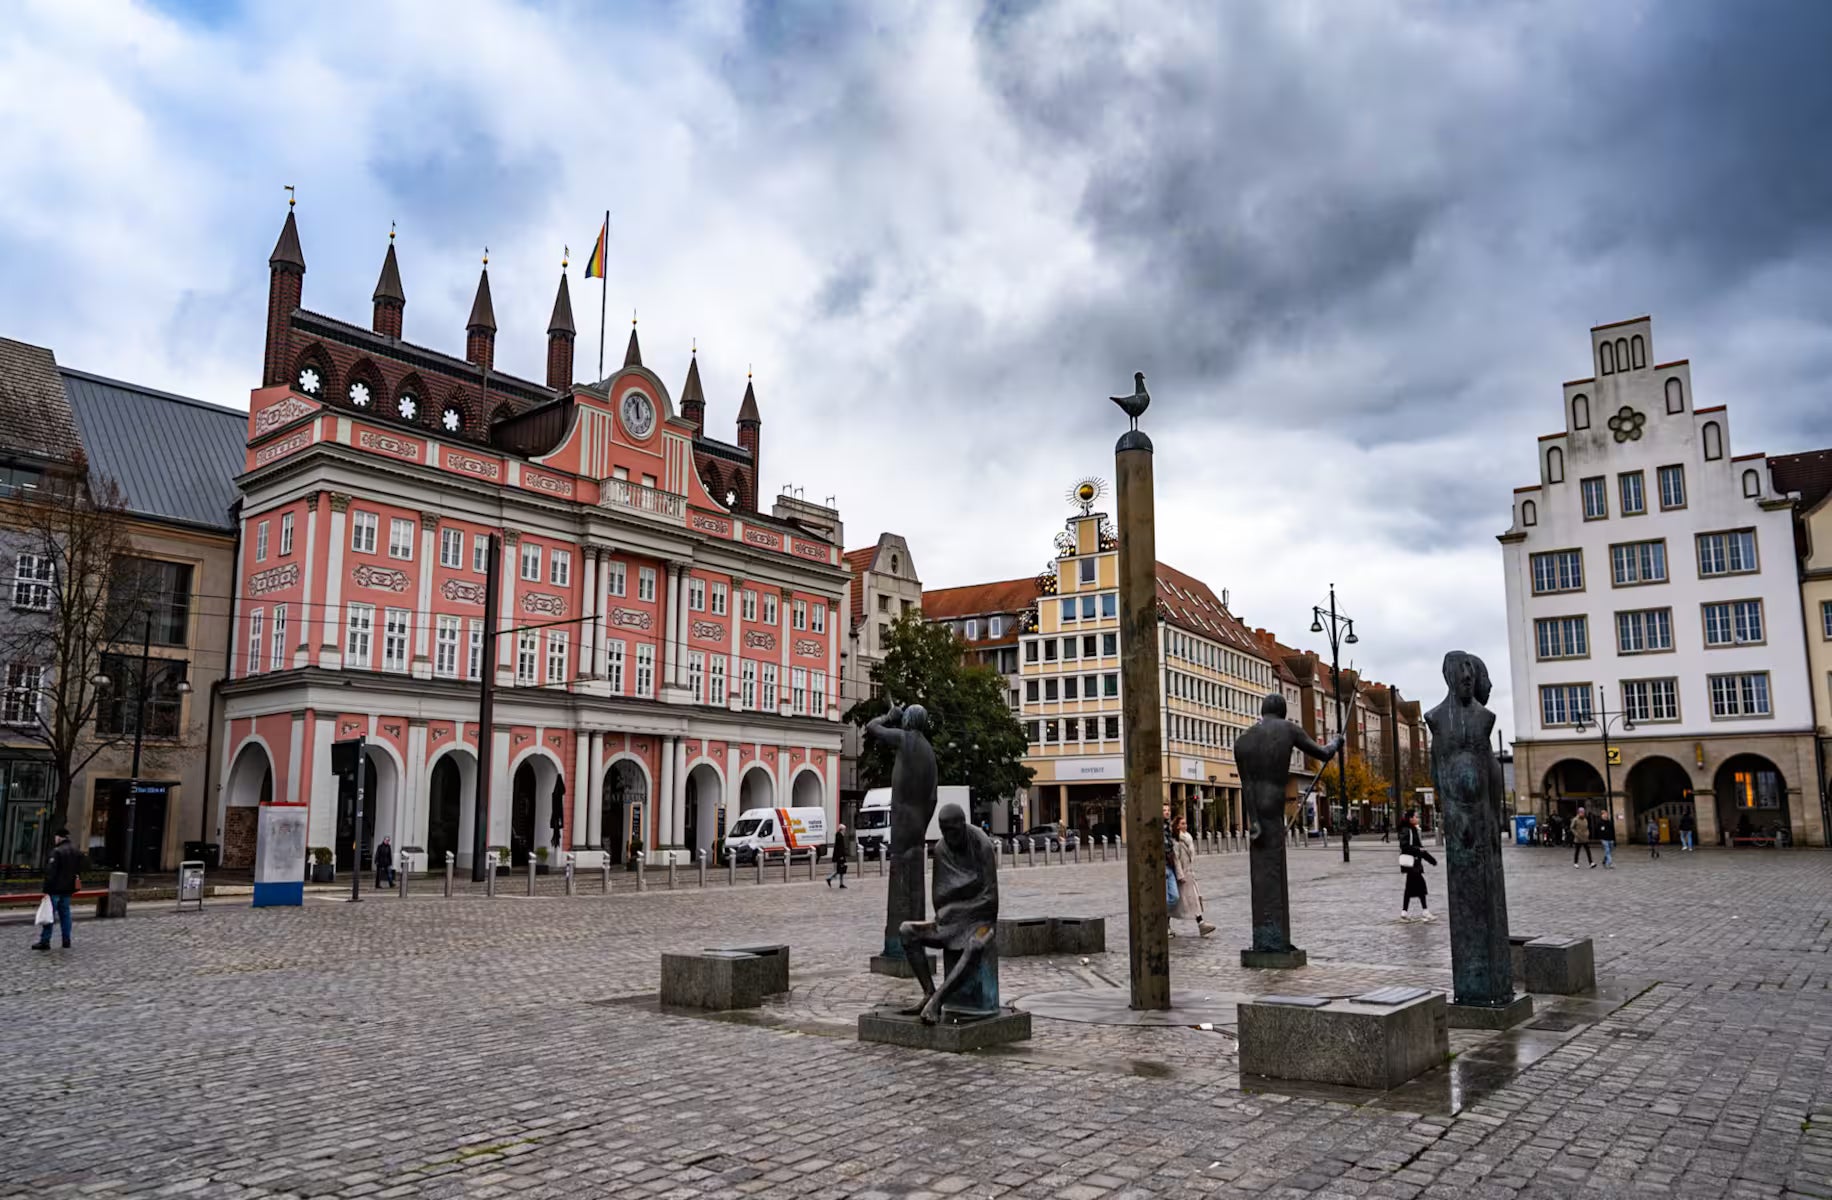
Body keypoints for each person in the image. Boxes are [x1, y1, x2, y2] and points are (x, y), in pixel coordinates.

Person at [33, 828, 80, 951]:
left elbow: (50, 872)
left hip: (55, 889)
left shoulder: (57, 851)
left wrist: (46, 890)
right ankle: (66, 940)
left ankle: (45, 941)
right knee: (65, 915)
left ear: (59, 837)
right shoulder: (75, 851)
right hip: (68, 889)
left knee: (49, 914)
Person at [1170, 816, 1215, 937]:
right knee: (1178, 901)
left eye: (1186, 823)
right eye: (1182, 823)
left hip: (1189, 873)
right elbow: (1176, 859)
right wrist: (1180, 875)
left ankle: (1201, 924)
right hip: (1183, 874)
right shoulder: (1176, 840)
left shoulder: (1188, 837)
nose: (1185, 825)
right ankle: (1200, 924)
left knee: (1192, 899)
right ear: (1178, 825)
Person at [1397, 811, 1437, 921]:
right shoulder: (1407, 830)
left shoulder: (1412, 830)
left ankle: (1405, 913)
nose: (1417, 818)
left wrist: (1430, 859)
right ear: (1410, 818)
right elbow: (1405, 846)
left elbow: (1420, 848)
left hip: (1414, 864)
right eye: (1415, 816)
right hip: (1412, 864)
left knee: (1410, 889)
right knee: (1421, 887)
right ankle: (1425, 912)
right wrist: (1419, 850)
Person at [826, 823, 850, 889]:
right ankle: (829, 878)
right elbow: (840, 847)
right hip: (839, 856)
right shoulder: (839, 836)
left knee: (841, 870)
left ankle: (841, 884)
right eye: (844, 829)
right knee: (839, 870)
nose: (845, 831)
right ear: (841, 829)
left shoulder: (840, 835)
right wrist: (841, 856)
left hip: (840, 855)